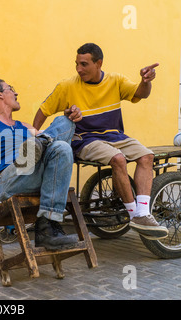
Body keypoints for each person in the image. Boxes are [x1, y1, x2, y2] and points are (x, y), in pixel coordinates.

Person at [32, 42, 168, 240]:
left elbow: (141, 93)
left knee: (147, 156)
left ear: (99, 63)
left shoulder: (115, 80)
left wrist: (146, 80)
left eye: (84, 64)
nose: (79, 69)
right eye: (77, 64)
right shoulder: (67, 86)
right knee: (118, 159)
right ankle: (133, 215)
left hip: (114, 136)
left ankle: (143, 213)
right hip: (85, 140)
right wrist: (35, 134)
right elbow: (43, 110)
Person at [0, 79, 82, 249]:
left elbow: (61, 134)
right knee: (41, 146)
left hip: (34, 174)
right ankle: (40, 143)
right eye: (11, 89)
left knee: (63, 140)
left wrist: (71, 115)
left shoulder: (25, 126)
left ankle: (46, 228)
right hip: (10, 180)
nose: (16, 93)